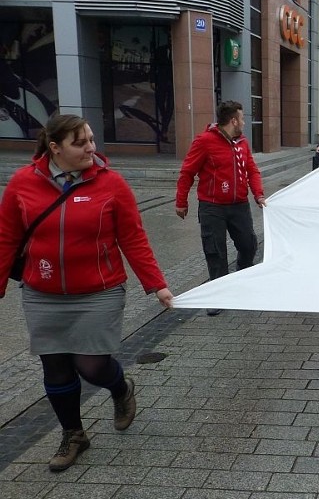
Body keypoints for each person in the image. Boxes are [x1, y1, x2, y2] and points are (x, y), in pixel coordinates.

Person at [0, 114, 174, 472]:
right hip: (42, 291)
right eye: (80, 143)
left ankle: (121, 388)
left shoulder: (112, 185)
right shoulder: (22, 184)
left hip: (100, 291)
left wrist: (157, 284)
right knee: (56, 366)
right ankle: (74, 434)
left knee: (91, 366)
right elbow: (7, 238)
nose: (91, 148)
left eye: (92, 140)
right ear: (55, 148)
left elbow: (133, 238)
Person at [175, 101, 266, 316]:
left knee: (249, 244)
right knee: (215, 252)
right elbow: (187, 172)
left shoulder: (242, 143)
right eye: (242, 118)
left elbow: (252, 170)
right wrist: (181, 201)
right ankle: (218, 295)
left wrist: (259, 194)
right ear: (233, 120)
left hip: (239, 205)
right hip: (212, 207)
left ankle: (240, 279)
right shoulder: (204, 141)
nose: (244, 122)